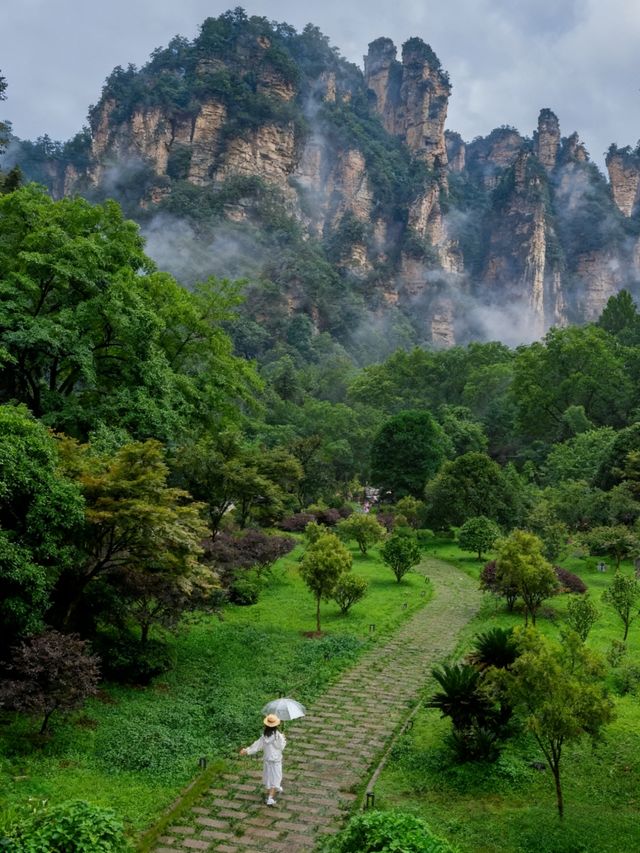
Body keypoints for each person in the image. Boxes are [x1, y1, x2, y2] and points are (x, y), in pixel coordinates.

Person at [239, 713, 287, 806]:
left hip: (267, 760)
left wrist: (246, 751)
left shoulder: (264, 736)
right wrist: (284, 739)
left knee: (269, 776)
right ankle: (270, 798)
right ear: (276, 725)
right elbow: (281, 747)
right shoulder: (278, 736)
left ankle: (274, 789)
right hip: (276, 760)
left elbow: (256, 746)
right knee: (276, 777)